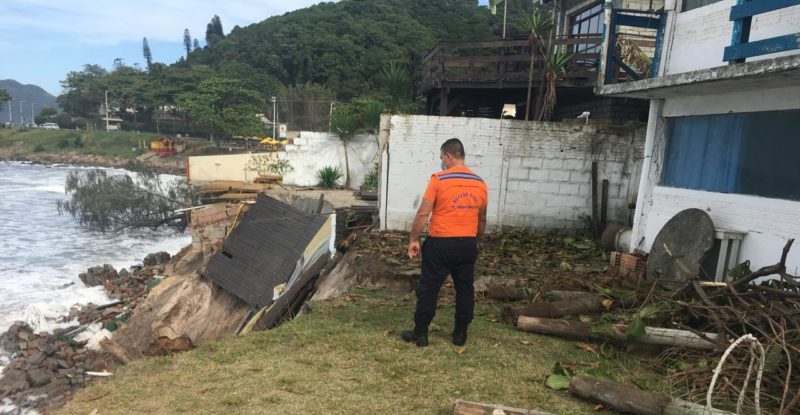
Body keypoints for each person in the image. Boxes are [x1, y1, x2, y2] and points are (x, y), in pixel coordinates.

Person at [402, 138, 488, 347]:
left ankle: (421, 334)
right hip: (467, 244)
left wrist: (414, 239)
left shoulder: (438, 179)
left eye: (441, 157)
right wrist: (474, 241)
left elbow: (423, 213)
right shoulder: (480, 183)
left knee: (429, 288)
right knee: (465, 289)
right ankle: (460, 334)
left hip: (440, 244)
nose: (441, 161)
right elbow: (482, 219)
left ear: (448, 156)